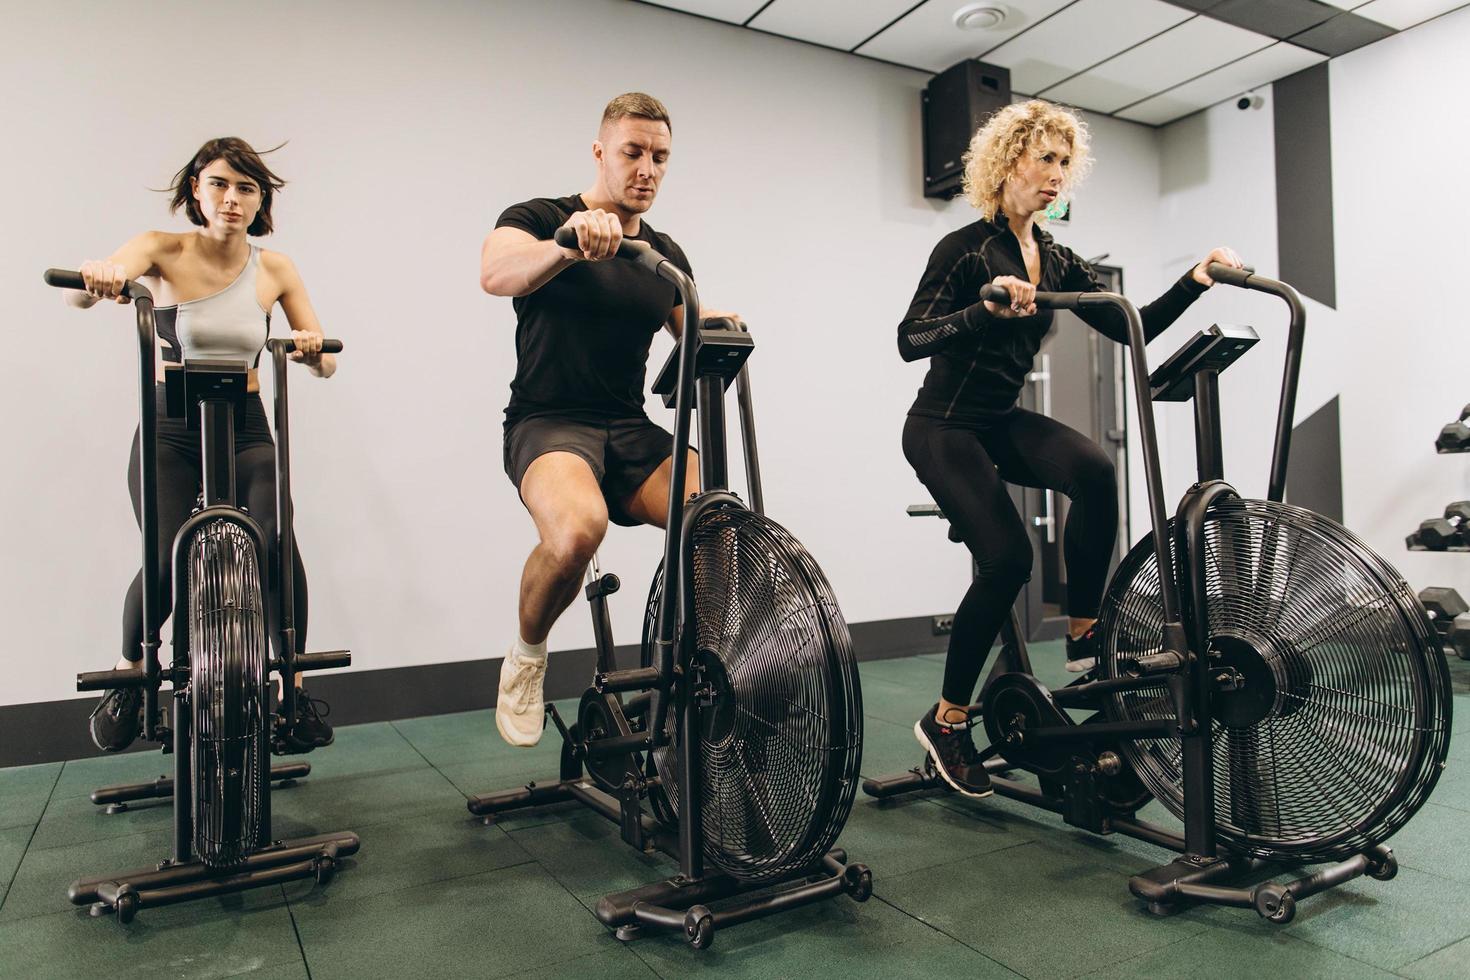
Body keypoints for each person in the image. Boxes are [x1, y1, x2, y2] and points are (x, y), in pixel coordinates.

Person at [896, 100, 1244, 798]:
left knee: (1093, 468)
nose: (1055, 175)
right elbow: (910, 338)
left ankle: (1085, 632)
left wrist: (1196, 279)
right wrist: (982, 306)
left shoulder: (1053, 257)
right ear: (1007, 164)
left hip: (997, 419)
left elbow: (1132, 325)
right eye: (1042, 159)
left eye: (1063, 162)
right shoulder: (965, 249)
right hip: (941, 426)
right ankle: (948, 720)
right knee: (1007, 560)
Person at [480, 93, 736, 747]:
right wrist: (567, 245)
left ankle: (685, 669)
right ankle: (526, 658)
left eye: (660, 157)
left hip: (628, 429)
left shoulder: (665, 252)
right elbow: (496, 272)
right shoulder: (540, 217)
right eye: (633, 152)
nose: (646, 168)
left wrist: (720, 327)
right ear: (601, 152)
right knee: (577, 533)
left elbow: (691, 329)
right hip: (548, 423)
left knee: (717, 515)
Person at [67, 137, 337, 754]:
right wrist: (99, 277)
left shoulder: (276, 268)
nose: (231, 198)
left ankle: (289, 692)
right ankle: (133, 678)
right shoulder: (161, 249)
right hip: (170, 424)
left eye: (246, 188)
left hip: (243, 423)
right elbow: (77, 293)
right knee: (164, 558)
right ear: (196, 189)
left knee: (273, 537)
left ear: (260, 198)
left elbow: (319, 356)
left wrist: (314, 350)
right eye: (218, 184)